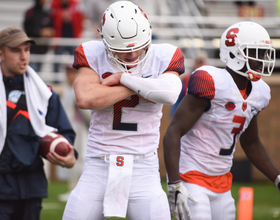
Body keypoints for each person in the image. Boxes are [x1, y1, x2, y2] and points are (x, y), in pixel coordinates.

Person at [62, 1, 184, 220]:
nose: (133, 54)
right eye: (122, 50)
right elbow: (86, 97)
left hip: (143, 165)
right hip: (98, 163)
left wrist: (122, 78)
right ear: (106, 42)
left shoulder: (164, 55)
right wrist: (138, 86)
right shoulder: (92, 53)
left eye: (139, 46)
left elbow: (169, 93)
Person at [163, 21, 280, 220]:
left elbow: (251, 142)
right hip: (191, 175)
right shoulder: (211, 82)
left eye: (263, 53)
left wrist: (277, 178)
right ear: (235, 53)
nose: (261, 59)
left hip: (222, 181)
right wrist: (174, 182)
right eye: (255, 52)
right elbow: (173, 132)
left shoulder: (259, 93)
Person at [0, 27, 78, 220]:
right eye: (16, 50)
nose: (23, 56)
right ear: (0, 53)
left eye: (26, 49)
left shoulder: (44, 93)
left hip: (32, 186)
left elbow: (65, 133)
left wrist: (69, 155)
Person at [57, 64, 90, 202]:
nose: (68, 75)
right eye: (67, 72)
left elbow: (87, 113)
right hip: (71, 128)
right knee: (72, 158)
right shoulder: (68, 90)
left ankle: (80, 190)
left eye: (71, 72)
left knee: (80, 159)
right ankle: (73, 189)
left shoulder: (79, 88)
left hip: (80, 129)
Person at [49, 0, 85, 74]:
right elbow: (50, 21)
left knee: (76, 61)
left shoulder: (75, 5)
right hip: (59, 38)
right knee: (57, 61)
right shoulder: (54, 5)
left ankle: (76, 78)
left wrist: (79, 35)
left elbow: (81, 19)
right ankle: (56, 80)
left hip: (73, 38)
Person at [170, 49, 208, 117]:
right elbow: (177, 100)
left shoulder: (211, 81)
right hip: (185, 115)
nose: (200, 65)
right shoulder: (185, 80)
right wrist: (174, 115)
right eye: (199, 62)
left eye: (202, 62)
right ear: (194, 63)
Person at [23, 0, 55, 72]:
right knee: (32, 70)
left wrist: (50, 31)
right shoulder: (30, 12)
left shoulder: (46, 13)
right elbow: (27, 28)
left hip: (42, 48)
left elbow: (51, 26)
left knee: (38, 71)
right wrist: (39, 32)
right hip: (32, 48)